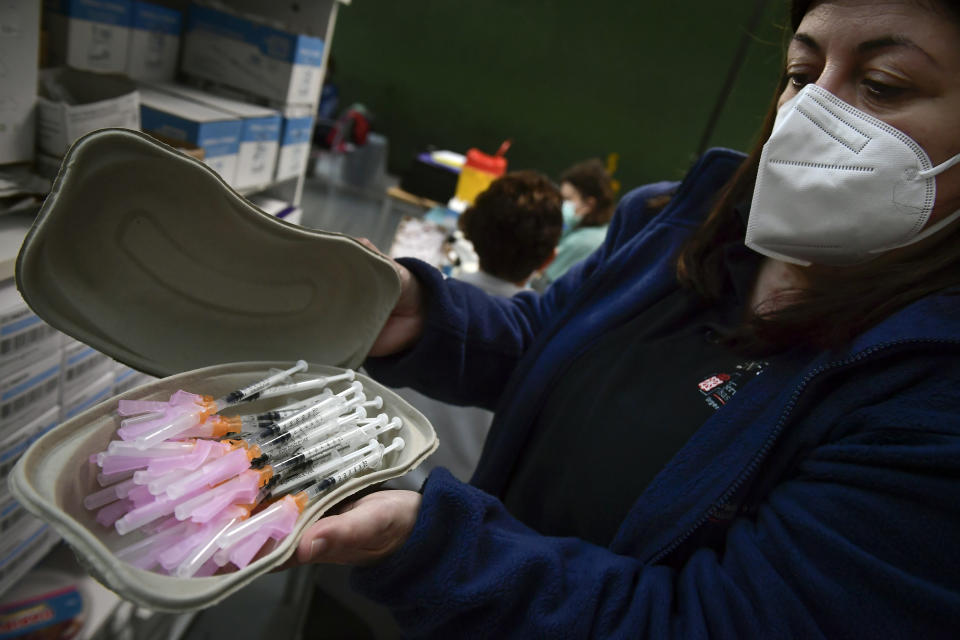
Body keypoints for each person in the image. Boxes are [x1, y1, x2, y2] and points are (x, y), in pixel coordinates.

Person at [291, 1, 960, 637]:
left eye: (881, 84)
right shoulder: (680, 222)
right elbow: (547, 339)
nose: (810, 114)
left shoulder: (929, 398)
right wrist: (426, 317)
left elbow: (718, 624)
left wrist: (439, 550)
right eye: (801, 75)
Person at [389, 170, 563, 490]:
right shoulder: (548, 350)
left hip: (373, 477)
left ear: (471, 229)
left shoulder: (418, 306)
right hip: (447, 508)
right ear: (549, 259)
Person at [540, 158, 616, 284]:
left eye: (567, 199)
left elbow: (542, 282)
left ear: (589, 204)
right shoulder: (598, 231)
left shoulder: (584, 241)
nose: (562, 204)